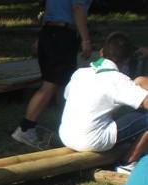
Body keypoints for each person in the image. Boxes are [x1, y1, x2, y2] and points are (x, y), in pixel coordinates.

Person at [58, 32, 148, 165]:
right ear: (126, 60)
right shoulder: (117, 80)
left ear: (101, 52)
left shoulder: (80, 73)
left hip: (66, 136)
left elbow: (67, 95)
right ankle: (129, 162)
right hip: (92, 140)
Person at [12, 0, 92, 149]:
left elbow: (50, 11)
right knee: (50, 84)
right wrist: (86, 40)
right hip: (62, 35)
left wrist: (40, 38)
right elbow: (78, 8)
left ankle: (68, 127)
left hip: (50, 33)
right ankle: (25, 128)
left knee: (63, 83)